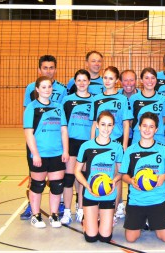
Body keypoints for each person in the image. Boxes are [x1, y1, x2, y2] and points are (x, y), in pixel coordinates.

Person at [21, 55, 67, 220]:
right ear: (39, 69)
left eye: (51, 67)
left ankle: (57, 206)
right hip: (37, 142)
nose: (48, 70)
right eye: (45, 68)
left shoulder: (62, 89)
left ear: (55, 69)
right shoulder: (30, 88)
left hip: (55, 142)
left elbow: (62, 115)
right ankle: (32, 208)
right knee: (36, 176)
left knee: (57, 180)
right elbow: (29, 113)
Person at [119, 112, 165, 243]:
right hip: (137, 201)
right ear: (139, 127)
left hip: (158, 200)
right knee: (131, 239)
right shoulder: (130, 151)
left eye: (151, 126)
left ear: (156, 129)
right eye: (144, 126)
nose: (147, 130)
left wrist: (163, 177)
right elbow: (123, 175)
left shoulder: (163, 150)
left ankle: (152, 221)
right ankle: (144, 221)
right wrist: (131, 181)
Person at [74, 111, 123, 243]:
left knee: (105, 237)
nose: (106, 129)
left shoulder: (117, 148)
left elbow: (121, 172)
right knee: (91, 237)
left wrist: (114, 181)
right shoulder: (86, 146)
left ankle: (102, 219)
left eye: (109, 125)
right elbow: (77, 171)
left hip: (108, 193)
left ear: (113, 127)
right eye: (103, 124)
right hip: (91, 193)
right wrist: (86, 185)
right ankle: (87, 221)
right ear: (96, 125)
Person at [60, 69, 94, 225]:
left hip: (86, 144)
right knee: (69, 178)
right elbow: (63, 126)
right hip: (72, 142)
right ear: (74, 82)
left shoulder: (94, 100)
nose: (81, 83)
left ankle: (81, 209)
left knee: (83, 179)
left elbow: (95, 125)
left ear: (89, 82)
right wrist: (65, 149)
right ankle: (67, 211)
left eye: (84, 80)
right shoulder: (67, 100)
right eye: (78, 80)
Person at [89, 66, 132, 150]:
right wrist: (91, 143)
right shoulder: (96, 99)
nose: (107, 81)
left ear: (116, 80)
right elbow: (94, 124)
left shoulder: (123, 99)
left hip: (117, 140)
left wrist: (125, 145)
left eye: (111, 78)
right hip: (99, 141)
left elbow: (126, 124)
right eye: (105, 78)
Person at [129, 67, 165, 145]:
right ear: (141, 80)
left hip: (158, 138)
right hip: (139, 137)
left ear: (156, 80)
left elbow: (163, 120)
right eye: (146, 78)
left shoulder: (163, 99)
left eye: (153, 78)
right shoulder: (134, 99)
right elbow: (130, 121)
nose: (150, 81)